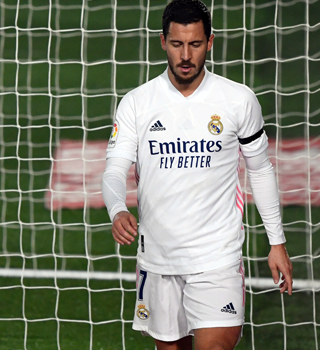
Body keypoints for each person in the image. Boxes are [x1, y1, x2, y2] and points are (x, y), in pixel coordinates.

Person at [101, 0, 293, 349]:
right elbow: (114, 169)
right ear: (163, 42)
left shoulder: (238, 100)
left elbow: (260, 170)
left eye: (195, 44)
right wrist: (117, 209)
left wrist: (276, 241)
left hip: (217, 257)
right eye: (177, 44)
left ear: (210, 42)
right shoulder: (137, 103)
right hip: (158, 259)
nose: (185, 55)